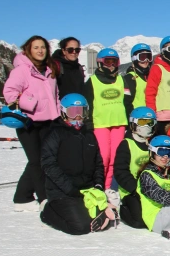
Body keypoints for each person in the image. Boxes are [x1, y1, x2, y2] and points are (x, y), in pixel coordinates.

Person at [39, 93, 113, 235]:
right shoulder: (55, 133)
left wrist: (98, 185)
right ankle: (48, 213)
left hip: (86, 190)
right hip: (63, 192)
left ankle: (80, 208)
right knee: (81, 227)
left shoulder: (89, 134)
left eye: (82, 112)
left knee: (104, 220)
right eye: (73, 113)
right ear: (64, 113)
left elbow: (98, 163)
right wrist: (69, 189)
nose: (78, 117)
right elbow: (48, 164)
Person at [3, 35, 60, 211]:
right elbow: (9, 93)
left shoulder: (50, 70)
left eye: (43, 47)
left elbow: (55, 96)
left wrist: (57, 115)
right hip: (28, 122)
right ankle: (43, 199)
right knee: (36, 161)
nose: (40, 50)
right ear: (28, 49)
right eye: (36, 47)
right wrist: (30, 102)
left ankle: (22, 197)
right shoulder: (21, 70)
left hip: (48, 121)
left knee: (41, 160)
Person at [82, 48, 127, 189]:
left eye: (114, 61)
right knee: (104, 157)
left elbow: (128, 101)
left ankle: (108, 188)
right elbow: (87, 104)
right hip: (100, 124)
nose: (111, 65)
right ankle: (99, 186)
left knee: (115, 158)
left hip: (119, 123)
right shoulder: (92, 81)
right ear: (100, 63)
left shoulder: (121, 79)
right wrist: (88, 122)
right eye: (108, 61)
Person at [114, 106, 155, 229]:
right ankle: (121, 209)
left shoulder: (154, 144)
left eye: (150, 122)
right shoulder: (126, 144)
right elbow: (120, 171)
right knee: (139, 221)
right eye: (142, 122)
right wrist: (135, 188)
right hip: (131, 190)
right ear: (134, 123)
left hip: (151, 188)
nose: (146, 126)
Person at [123, 43, 153, 119]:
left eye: (148, 57)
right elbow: (126, 102)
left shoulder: (152, 76)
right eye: (142, 57)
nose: (146, 61)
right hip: (137, 118)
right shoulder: (130, 78)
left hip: (151, 116)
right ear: (134, 58)